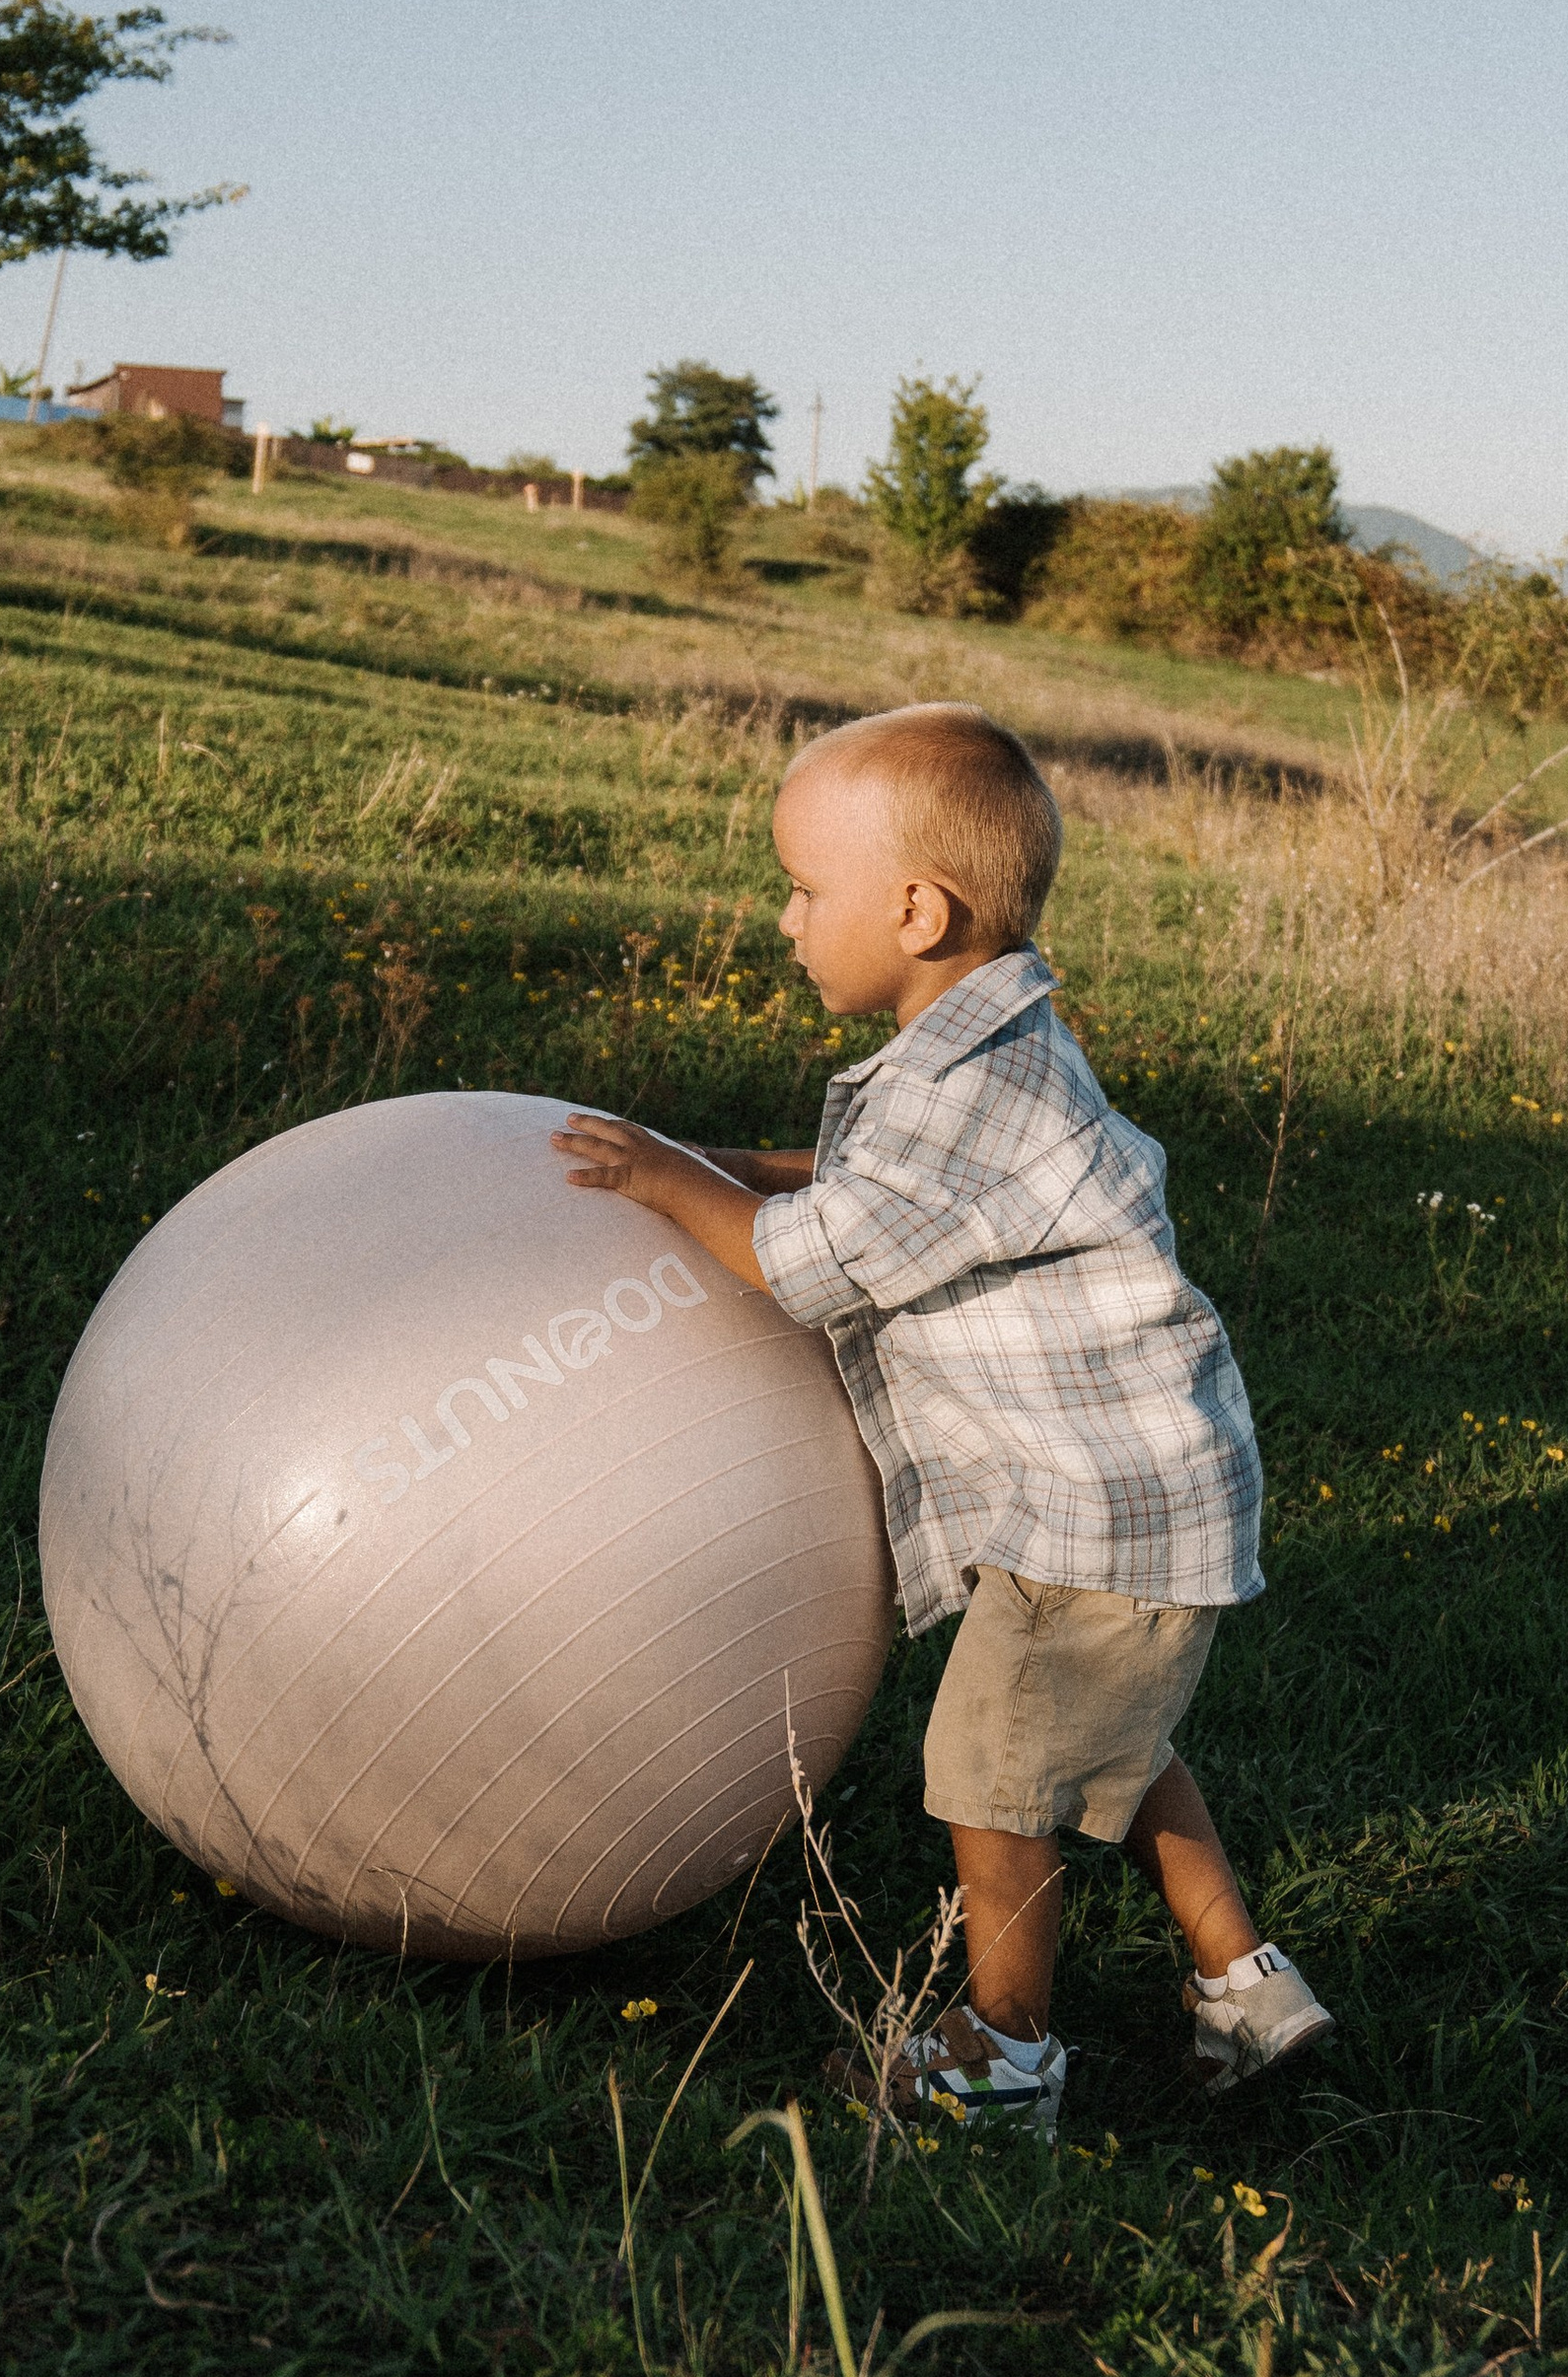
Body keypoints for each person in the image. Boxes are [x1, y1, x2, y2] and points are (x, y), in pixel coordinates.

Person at [549, 700, 1329, 2138]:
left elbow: (809, 1261)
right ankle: (1247, 1981)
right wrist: (714, 1158)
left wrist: (672, 1188)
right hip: (1137, 1498)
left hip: (1089, 1515)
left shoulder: (974, 1081)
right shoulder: (986, 1049)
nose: (784, 919)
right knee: (1117, 1745)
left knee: (993, 1772)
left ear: (915, 912)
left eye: (802, 888)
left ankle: (1004, 2048)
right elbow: (867, 1189)